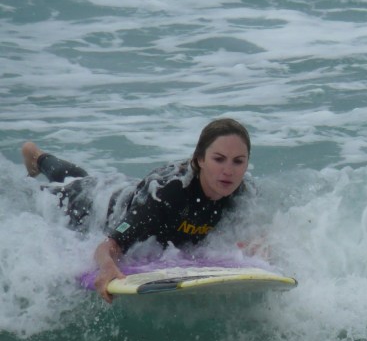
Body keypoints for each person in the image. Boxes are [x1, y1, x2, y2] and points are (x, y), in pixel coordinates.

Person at [21, 117, 251, 303]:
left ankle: (37, 156)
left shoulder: (241, 192)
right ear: (200, 159)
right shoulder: (168, 195)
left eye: (238, 161)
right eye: (219, 159)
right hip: (95, 205)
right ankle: (36, 158)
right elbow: (108, 246)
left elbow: (252, 230)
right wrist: (108, 267)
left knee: (80, 179)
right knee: (50, 194)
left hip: (121, 189)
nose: (229, 171)